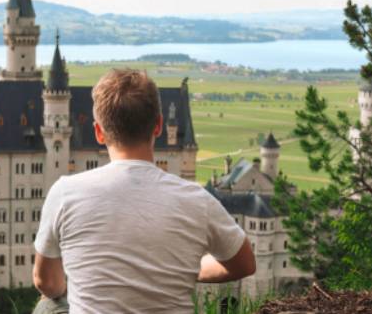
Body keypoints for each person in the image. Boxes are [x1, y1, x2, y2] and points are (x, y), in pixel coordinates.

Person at [32, 70, 255, 313]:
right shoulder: (197, 199)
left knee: (48, 306)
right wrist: (183, 268)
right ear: (158, 126)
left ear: (99, 132)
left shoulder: (65, 192)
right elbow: (244, 264)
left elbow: (46, 282)